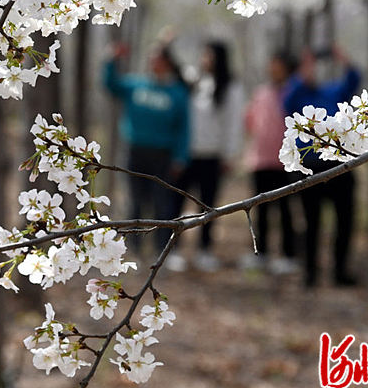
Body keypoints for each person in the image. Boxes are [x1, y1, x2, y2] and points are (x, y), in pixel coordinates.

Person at [283, 46, 361, 287]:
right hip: (310, 167)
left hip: (340, 166)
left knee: (345, 221)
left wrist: (342, 57)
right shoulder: (299, 94)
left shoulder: (333, 93)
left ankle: (340, 271)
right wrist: (303, 72)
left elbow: (354, 80)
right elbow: (286, 102)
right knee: (311, 222)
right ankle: (310, 273)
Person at [103, 41, 189, 258]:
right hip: (135, 152)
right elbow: (111, 84)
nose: (153, 63)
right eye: (151, 59)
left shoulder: (177, 93)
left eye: (157, 59)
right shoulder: (135, 85)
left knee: (162, 203)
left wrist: (180, 156)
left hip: (163, 155)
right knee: (136, 202)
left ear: (167, 63)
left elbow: (183, 127)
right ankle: (135, 249)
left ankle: (163, 249)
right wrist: (112, 59)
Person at [172, 41, 244, 272]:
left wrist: (230, 154)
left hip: (213, 156)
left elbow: (234, 123)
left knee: (208, 206)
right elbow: (176, 69)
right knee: (177, 203)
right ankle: (173, 250)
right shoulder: (195, 81)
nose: (204, 58)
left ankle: (205, 250)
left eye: (209, 55)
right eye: (203, 54)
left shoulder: (230, 87)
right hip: (188, 154)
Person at [241, 53, 298, 274]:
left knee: (285, 210)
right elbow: (249, 121)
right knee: (261, 210)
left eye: (277, 64)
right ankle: (260, 252)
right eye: (271, 64)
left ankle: (288, 254)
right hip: (260, 160)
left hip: (285, 162)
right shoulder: (261, 93)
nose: (272, 68)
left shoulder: (293, 92)